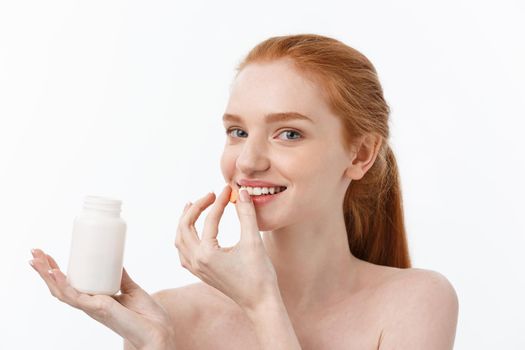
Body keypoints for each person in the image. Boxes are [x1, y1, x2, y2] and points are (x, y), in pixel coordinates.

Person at [30, 33, 459, 349]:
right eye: (237, 131)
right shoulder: (174, 319)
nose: (248, 161)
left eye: (289, 133)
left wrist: (263, 306)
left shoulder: (414, 303)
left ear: (361, 154)